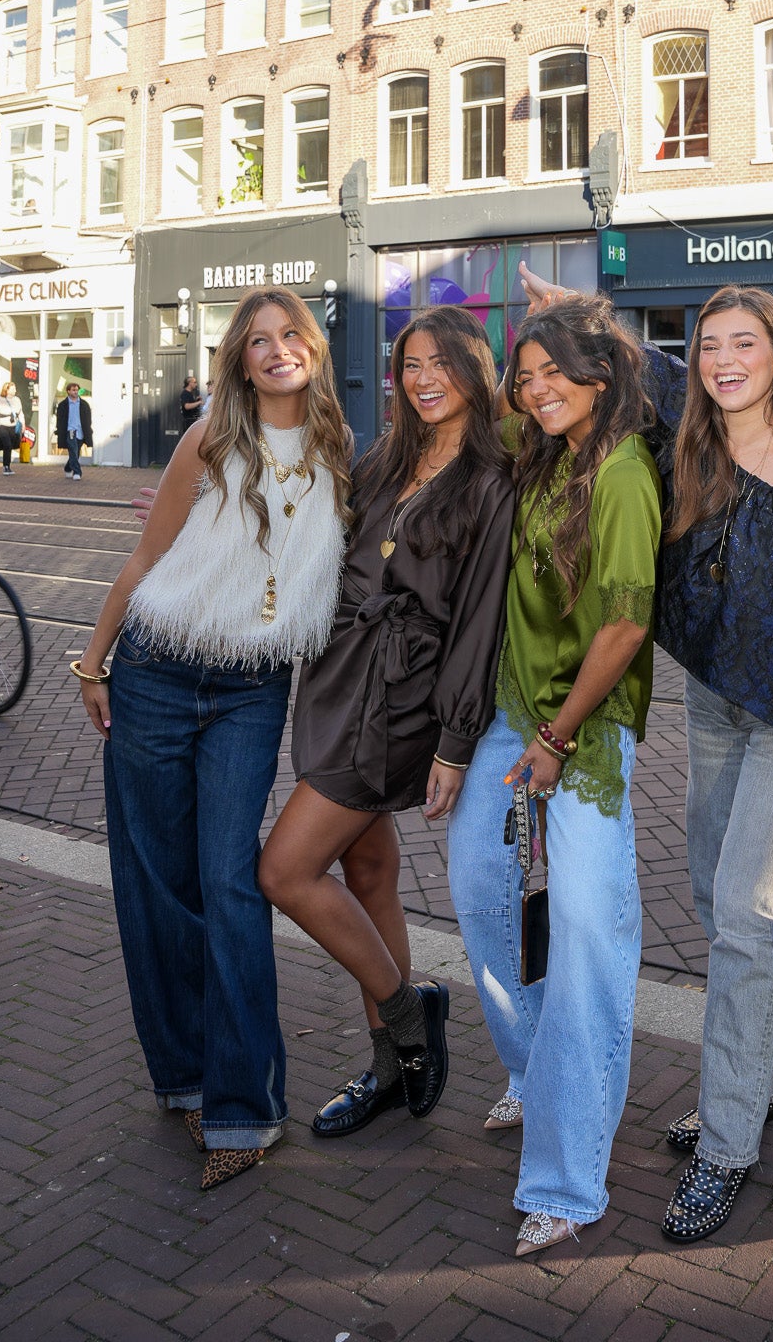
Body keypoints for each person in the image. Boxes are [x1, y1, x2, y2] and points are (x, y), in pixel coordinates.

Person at [521, 271, 773, 1245]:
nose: (726, 360)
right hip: (714, 703)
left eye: (747, 343)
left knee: (747, 913)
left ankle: (730, 1144)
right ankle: (745, 1081)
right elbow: (635, 370)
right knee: (716, 899)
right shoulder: (687, 443)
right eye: (712, 345)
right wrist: (591, 309)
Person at [71, 289, 354, 1192]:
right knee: (158, 885)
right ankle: (185, 1077)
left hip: (252, 690)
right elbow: (144, 562)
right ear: (238, 360)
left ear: (314, 346)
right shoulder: (210, 440)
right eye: (257, 341)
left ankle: (243, 1107)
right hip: (154, 669)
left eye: (290, 335)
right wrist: (92, 662)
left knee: (232, 884)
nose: (276, 351)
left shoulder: (344, 454)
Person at [258, 306, 515, 1140]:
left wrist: (454, 740)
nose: (423, 377)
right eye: (410, 363)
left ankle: (410, 1019)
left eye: (441, 362)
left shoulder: (492, 478)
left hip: (397, 701)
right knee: (367, 872)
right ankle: (389, 1063)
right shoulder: (385, 458)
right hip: (335, 676)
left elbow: (479, 622)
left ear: (475, 370)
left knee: (285, 872)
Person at [447, 296, 661, 1259]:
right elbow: (471, 405)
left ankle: (566, 1181)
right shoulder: (543, 442)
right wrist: (544, 326)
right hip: (509, 711)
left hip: (584, 727)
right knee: (478, 891)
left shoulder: (618, 472)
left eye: (552, 374)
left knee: (583, 932)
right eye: (524, 376)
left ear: (600, 376)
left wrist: (559, 739)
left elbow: (623, 627)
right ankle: (536, 1068)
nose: (534, 392)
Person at [56, 381, 93, 480]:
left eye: (77, 390)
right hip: (70, 430)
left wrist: (88, 430)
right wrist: (59, 430)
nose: (76, 392)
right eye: (73, 390)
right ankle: (77, 472)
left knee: (76, 452)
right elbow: (60, 419)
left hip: (80, 430)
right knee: (73, 449)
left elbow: (88, 419)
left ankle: (68, 468)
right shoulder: (63, 405)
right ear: (68, 391)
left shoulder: (84, 404)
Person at [0, 381, 24, 474]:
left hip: (13, 426)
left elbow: (20, 413)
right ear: (7, 390)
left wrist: (23, 424)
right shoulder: (0, 401)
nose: (15, 390)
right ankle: (6, 466)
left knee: (10, 446)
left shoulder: (17, 400)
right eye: (13, 388)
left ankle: (8, 466)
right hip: (2, 426)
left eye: (15, 388)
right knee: (7, 445)